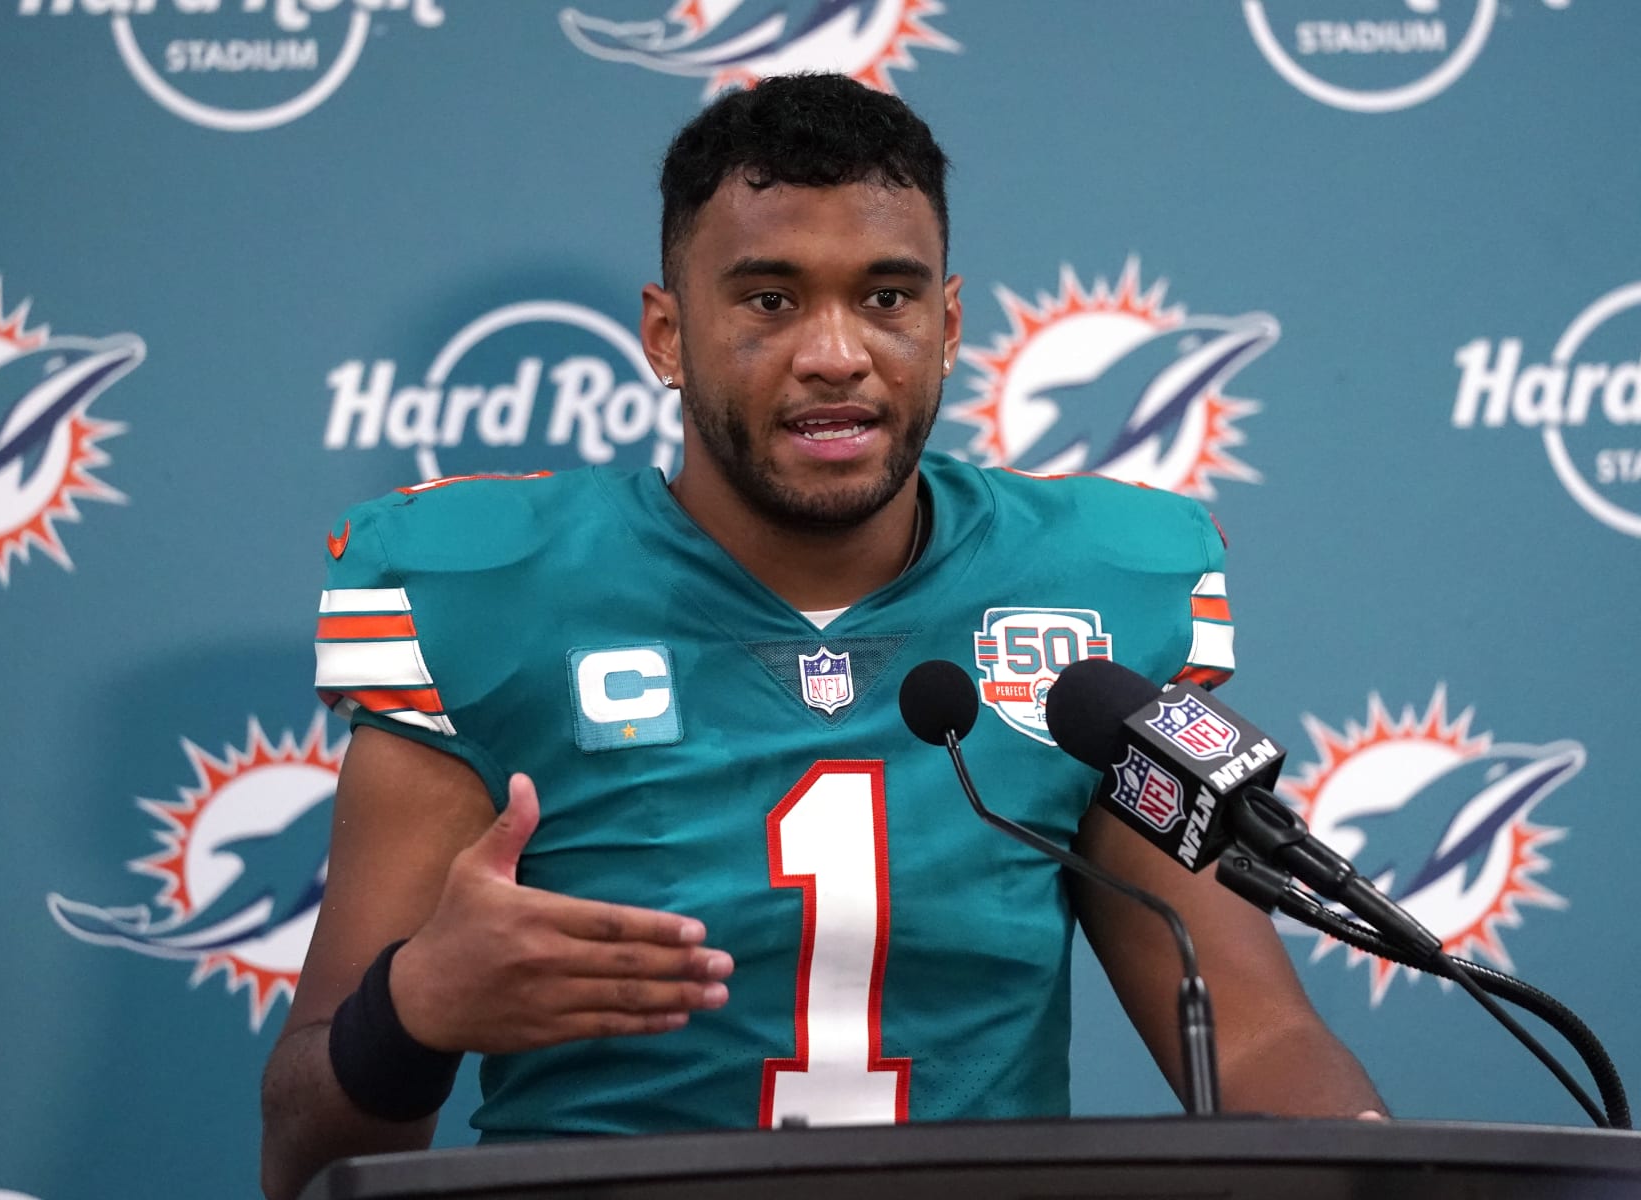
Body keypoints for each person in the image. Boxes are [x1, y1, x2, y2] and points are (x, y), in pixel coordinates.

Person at [260, 72, 1383, 1200]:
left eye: (887, 298)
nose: (836, 353)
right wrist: (409, 1011)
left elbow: (1255, 1035)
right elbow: (303, 1162)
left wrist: (1383, 1164)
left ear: (947, 327)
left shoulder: (1096, 591)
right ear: (667, 335)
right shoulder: (487, 594)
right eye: (769, 300)